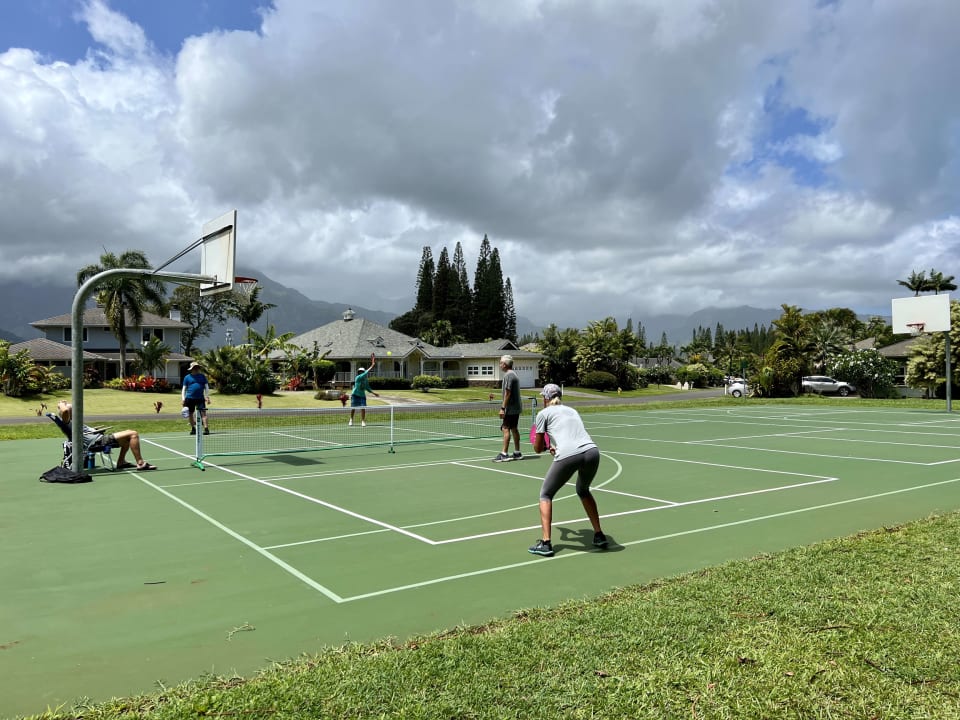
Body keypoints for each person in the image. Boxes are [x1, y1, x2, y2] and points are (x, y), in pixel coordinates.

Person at [528, 383, 607, 557]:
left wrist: (545, 446)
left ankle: (546, 543)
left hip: (569, 454)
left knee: (545, 494)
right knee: (583, 490)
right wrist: (555, 447)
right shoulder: (572, 411)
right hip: (592, 451)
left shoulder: (543, 414)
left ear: (546, 398)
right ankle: (599, 534)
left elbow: (537, 447)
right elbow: (572, 435)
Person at [57, 400, 157, 471]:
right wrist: (61, 404)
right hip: (97, 442)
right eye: (73, 409)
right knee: (133, 434)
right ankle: (140, 463)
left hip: (98, 438)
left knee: (127, 436)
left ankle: (121, 462)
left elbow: (85, 431)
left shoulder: (74, 421)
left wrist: (95, 430)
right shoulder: (68, 421)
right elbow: (65, 411)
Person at [495, 354, 523, 462]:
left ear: (505, 364)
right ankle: (517, 452)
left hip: (510, 409)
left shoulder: (508, 375)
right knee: (514, 429)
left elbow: (508, 392)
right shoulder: (513, 374)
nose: (500, 365)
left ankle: (504, 454)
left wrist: (503, 408)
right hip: (515, 408)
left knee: (505, 428)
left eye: (501, 363)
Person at [182, 361, 211, 435]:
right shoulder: (187, 377)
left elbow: (206, 387)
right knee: (190, 413)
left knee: (203, 413)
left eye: (197, 367)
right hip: (189, 398)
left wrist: (207, 396)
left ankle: (206, 429)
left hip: (200, 398)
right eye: (194, 368)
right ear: (191, 369)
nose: (196, 369)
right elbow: (184, 389)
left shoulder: (202, 376)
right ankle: (193, 429)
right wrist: (183, 398)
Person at [349, 358, 380, 427]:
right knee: (353, 408)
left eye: (362, 371)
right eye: (360, 372)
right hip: (355, 395)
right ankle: (351, 419)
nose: (361, 372)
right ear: (358, 372)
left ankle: (363, 421)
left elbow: (367, 388)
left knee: (363, 408)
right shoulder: (358, 377)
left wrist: (374, 393)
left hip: (362, 396)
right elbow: (366, 372)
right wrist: (372, 365)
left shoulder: (365, 380)